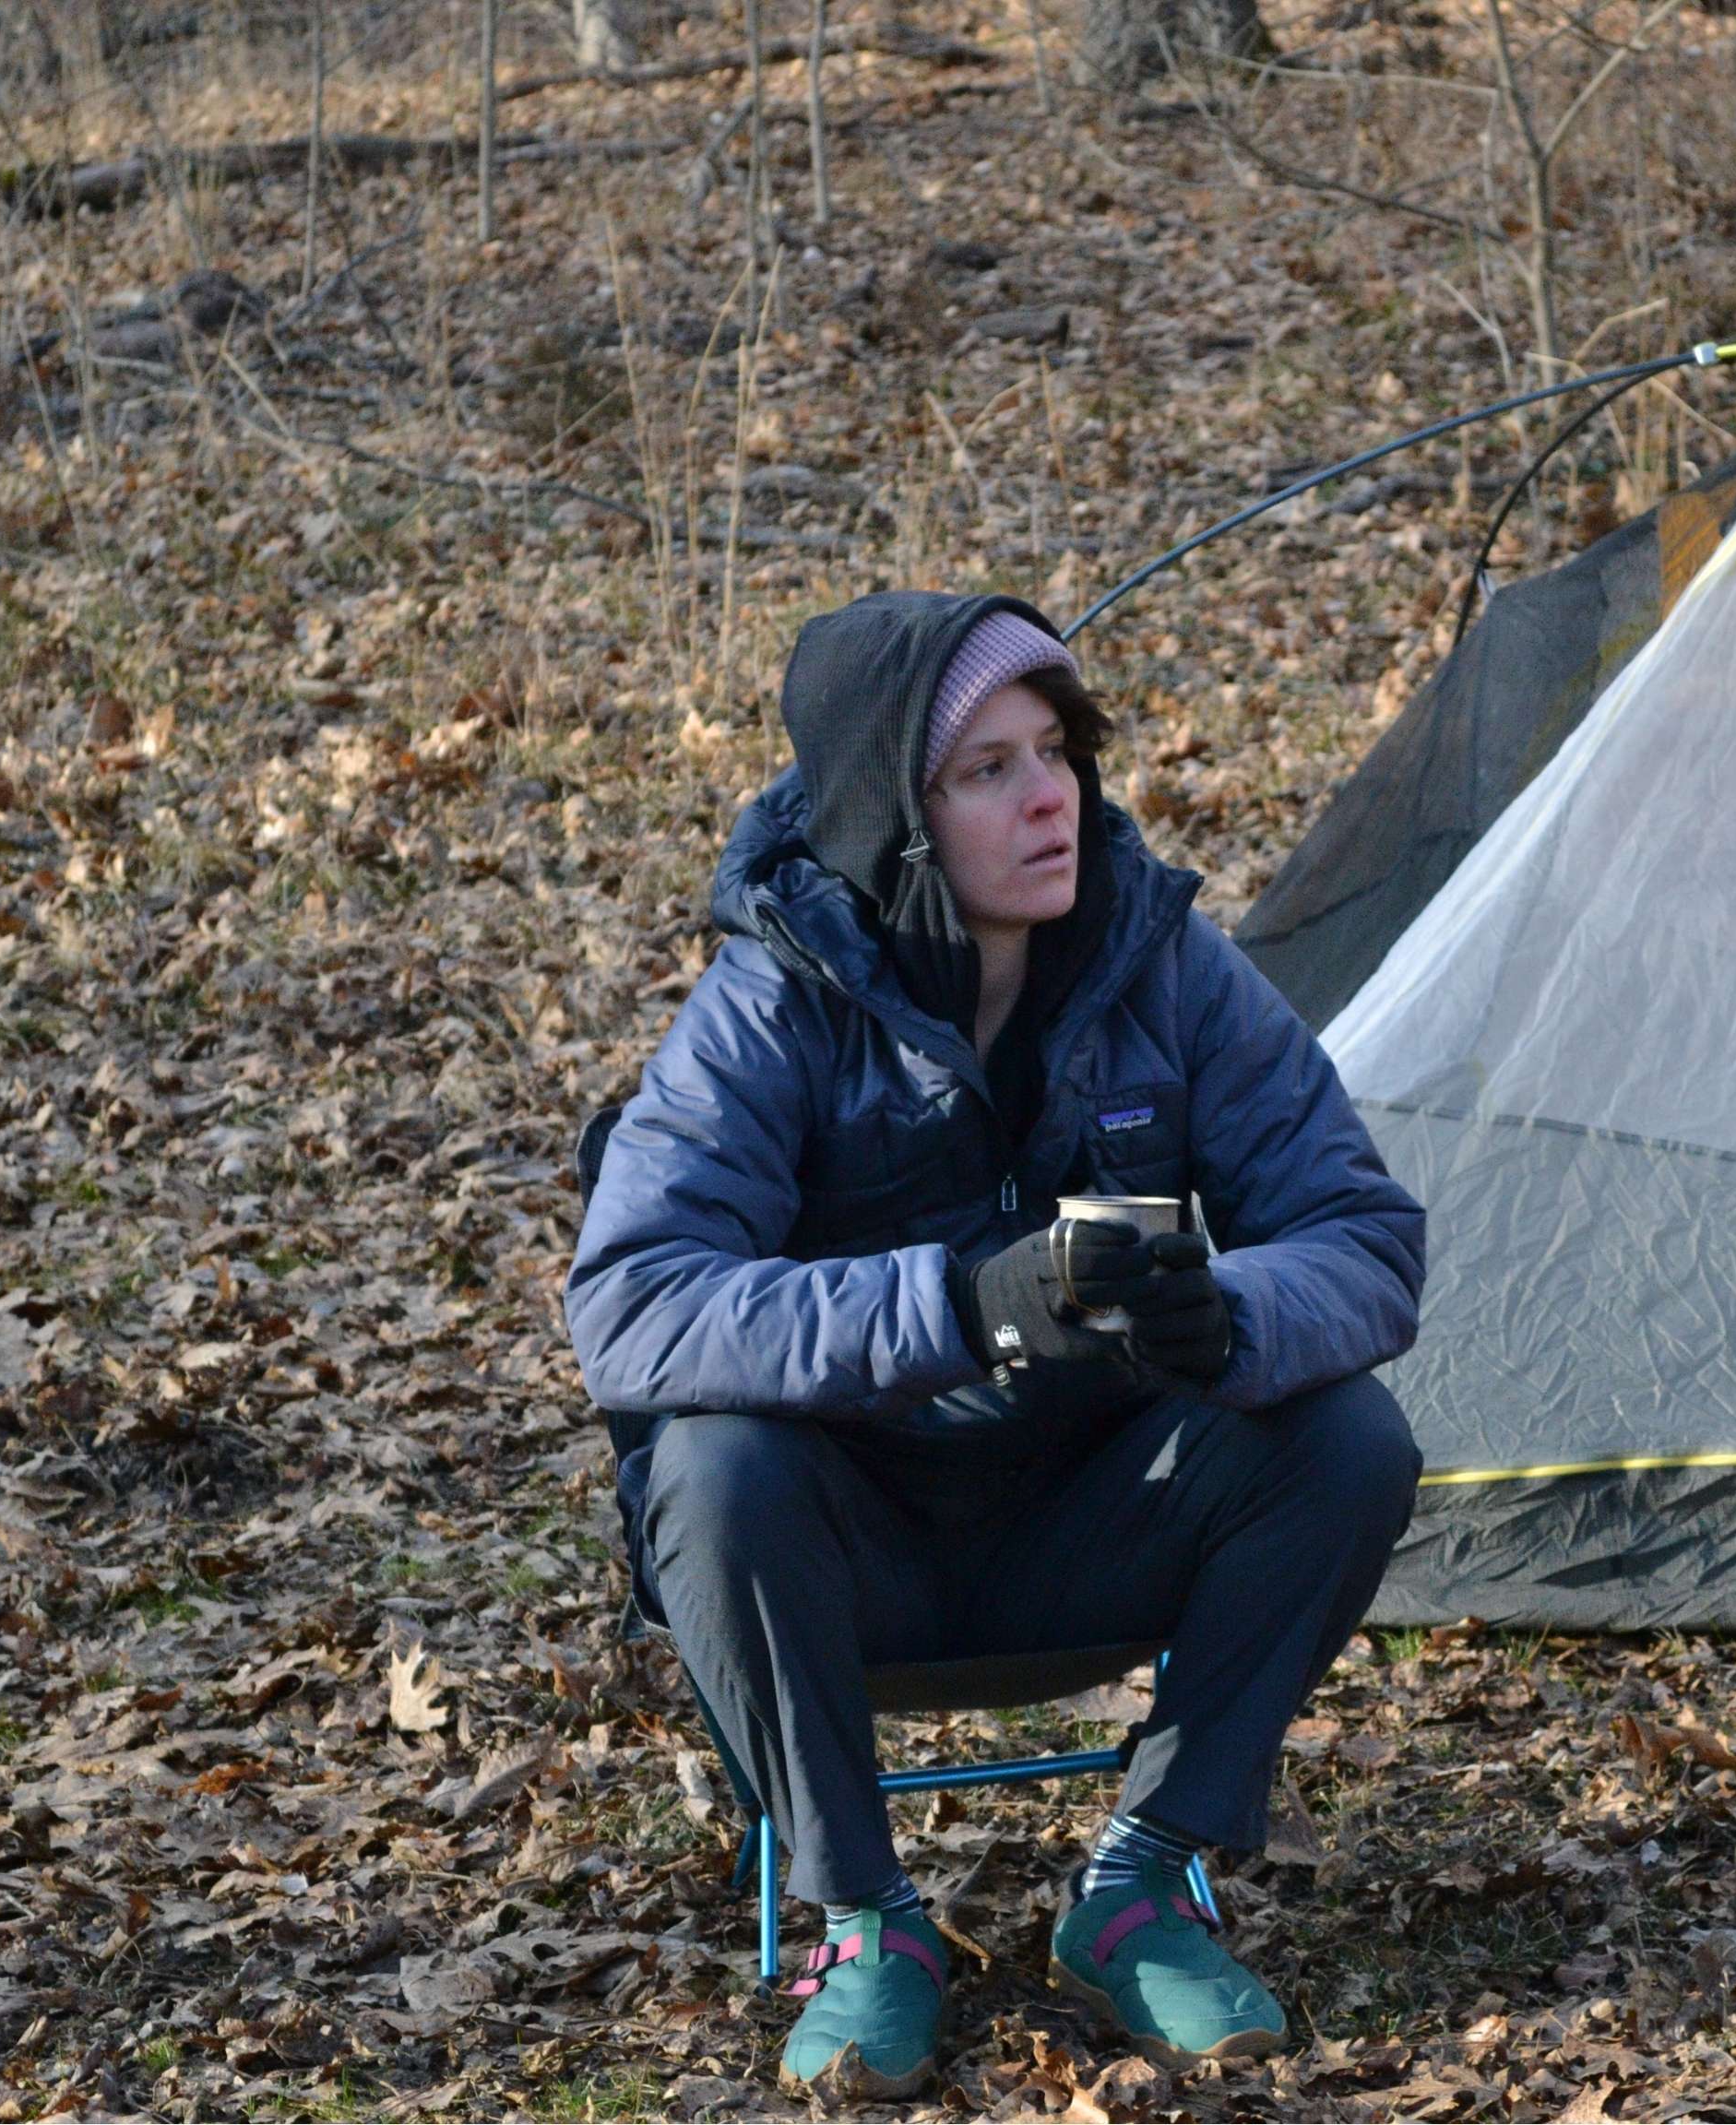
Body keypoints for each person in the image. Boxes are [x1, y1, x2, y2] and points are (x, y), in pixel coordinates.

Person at [564, 591, 1425, 2097]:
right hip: (856, 1547)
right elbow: (633, 1304)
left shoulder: (1163, 962)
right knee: (709, 1466)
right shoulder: (775, 1001)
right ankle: (864, 1923)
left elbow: (1362, 1236)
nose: (1052, 799)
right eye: (987, 770)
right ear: (894, 819)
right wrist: (959, 1308)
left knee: (1346, 1435)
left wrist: (1234, 1317)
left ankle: (1142, 1886)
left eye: (1059, 752)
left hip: (1094, 1517)